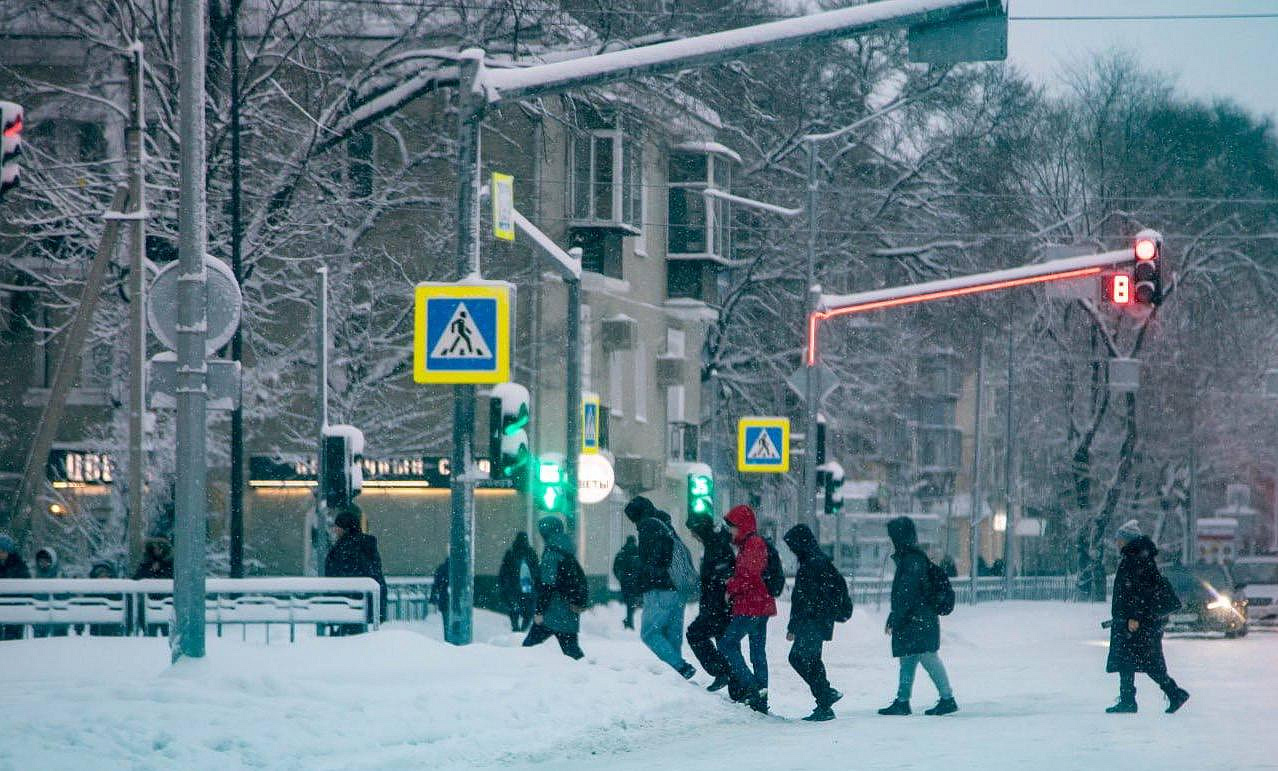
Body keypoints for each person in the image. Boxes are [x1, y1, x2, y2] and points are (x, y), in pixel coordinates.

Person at [1106, 519, 1190, 714]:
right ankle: (1130, 699)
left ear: (1127, 539)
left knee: (1144, 660)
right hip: (1133, 619)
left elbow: (1140, 590)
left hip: (1136, 620)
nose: (1117, 542)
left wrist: (1134, 616)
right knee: (1129, 660)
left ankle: (1173, 692)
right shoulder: (1136, 556)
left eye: (1119, 538)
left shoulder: (1136, 558)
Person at [879, 516, 957, 716]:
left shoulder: (912, 560)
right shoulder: (912, 558)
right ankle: (902, 701)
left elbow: (907, 594)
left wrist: (897, 616)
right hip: (917, 618)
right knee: (908, 658)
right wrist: (895, 616)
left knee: (927, 657)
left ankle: (947, 698)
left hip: (918, 619)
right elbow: (905, 595)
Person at [784, 523, 850, 721]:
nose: (792, 550)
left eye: (792, 545)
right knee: (810, 659)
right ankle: (824, 701)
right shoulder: (818, 560)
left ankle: (825, 695)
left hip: (812, 620)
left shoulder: (811, 564)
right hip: (818, 620)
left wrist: (793, 626)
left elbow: (803, 598)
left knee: (799, 658)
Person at [625, 496, 695, 678]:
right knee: (673, 635)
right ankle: (678, 677)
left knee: (649, 634)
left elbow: (652, 560)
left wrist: (643, 577)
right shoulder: (665, 525)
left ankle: (681, 667)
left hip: (660, 589)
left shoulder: (648, 526)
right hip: (677, 587)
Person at [719, 504, 776, 713]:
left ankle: (753, 688)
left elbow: (749, 575)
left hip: (752, 605)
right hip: (759, 604)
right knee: (757, 652)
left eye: (732, 527)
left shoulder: (753, 544)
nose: (730, 531)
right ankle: (760, 696)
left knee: (727, 644)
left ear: (741, 526)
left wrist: (730, 588)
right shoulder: (749, 544)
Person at [523, 516, 587, 660]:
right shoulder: (566, 549)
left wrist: (540, 611)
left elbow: (547, 585)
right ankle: (587, 674)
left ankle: (523, 672)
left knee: (529, 646)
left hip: (553, 610)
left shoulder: (552, 553)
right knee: (571, 648)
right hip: (568, 607)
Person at [685, 512, 735, 694]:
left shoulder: (716, 545)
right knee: (725, 644)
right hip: (718, 604)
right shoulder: (716, 542)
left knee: (695, 634)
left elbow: (721, 576)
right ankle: (738, 687)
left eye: (693, 531)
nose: (693, 536)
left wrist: (713, 604)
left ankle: (723, 672)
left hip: (717, 605)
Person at [323, 507, 388, 634]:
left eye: (337, 526)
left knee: (347, 638)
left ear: (345, 528)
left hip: (346, 601)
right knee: (356, 635)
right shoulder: (364, 545)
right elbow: (373, 573)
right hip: (360, 600)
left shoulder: (345, 547)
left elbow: (338, 573)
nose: (335, 530)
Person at [499, 532, 540, 632]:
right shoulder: (530, 553)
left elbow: (504, 571)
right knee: (528, 610)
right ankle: (522, 629)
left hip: (514, 586)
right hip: (527, 586)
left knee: (514, 608)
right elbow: (536, 570)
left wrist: (504, 585)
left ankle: (516, 628)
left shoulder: (511, 553)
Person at [32, 547, 69, 638]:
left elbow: (67, 596)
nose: (43, 563)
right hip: (39, 621)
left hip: (59, 620)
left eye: (47, 561)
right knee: (38, 644)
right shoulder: (35, 576)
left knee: (59, 643)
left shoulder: (60, 576)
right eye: (41, 561)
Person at [0, 533, 30, 640]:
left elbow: (26, 585)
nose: (0, 554)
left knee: (13, 637)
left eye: (3, 551)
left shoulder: (18, 565)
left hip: (15, 606)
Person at [611, 536, 642, 630]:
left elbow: (616, 568)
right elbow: (642, 567)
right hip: (636, 582)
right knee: (634, 602)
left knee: (630, 602)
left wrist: (621, 577)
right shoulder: (638, 553)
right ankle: (629, 622)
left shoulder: (622, 553)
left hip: (626, 582)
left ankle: (629, 622)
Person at [431, 557, 450, 632]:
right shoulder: (458, 569)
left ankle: (447, 639)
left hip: (444, 598)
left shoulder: (441, 569)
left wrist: (433, 598)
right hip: (454, 600)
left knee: (446, 622)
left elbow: (436, 585)